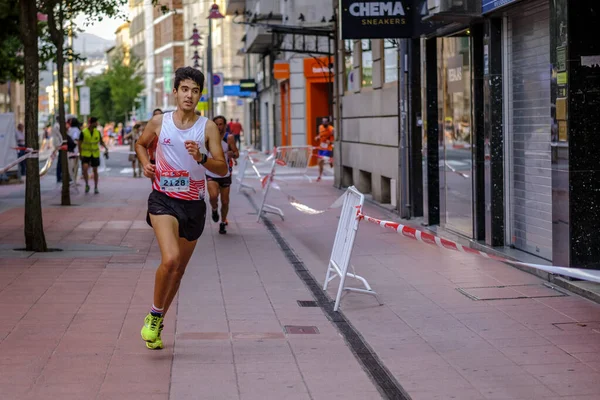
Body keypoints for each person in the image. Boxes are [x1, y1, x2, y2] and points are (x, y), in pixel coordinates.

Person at [135, 67, 227, 350]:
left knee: (179, 271)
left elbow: (222, 167)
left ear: (200, 94)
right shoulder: (160, 122)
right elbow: (141, 144)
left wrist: (201, 158)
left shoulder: (207, 127)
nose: (189, 95)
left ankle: (159, 318)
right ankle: (153, 315)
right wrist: (145, 163)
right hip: (163, 200)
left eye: (195, 90)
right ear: (174, 91)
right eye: (184, 89)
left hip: (193, 205)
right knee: (171, 259)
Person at [207, 115, 239, 234]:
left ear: (225, 125)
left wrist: (233, 154)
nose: (219, 127)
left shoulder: (229, 138)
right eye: (216, 124)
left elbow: (236, 153)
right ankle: (214, 209)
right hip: (211, 172)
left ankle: (222, 221)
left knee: (225, 201)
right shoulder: (208, 138)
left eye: (221, 124)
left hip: (225, 174)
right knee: (213, 196)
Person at [79, 117, 109, 194]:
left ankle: (96, 187)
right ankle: (86, 184)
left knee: (95, 170)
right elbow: (79, 143)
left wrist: (106, 148)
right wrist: (80, 153)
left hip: (95, 154)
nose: (97, 124)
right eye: (95, 122)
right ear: (91, 123)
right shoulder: (83, 132)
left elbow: (101, 141)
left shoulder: (97, 132)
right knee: (85, 169)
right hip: (86, 154)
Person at [315, 117, 334, 182]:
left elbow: (336, 138)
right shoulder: (320, 127)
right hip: (321, 147)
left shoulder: (331, 129)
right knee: (319, 163)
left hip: (328, 148)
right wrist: (317, 137)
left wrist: (331, 142)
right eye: (323, 122)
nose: (324, 123)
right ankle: (320, 176)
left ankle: (330, 161)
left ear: (328, 122)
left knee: (321, 160)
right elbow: (320, 135)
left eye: (325, 122)